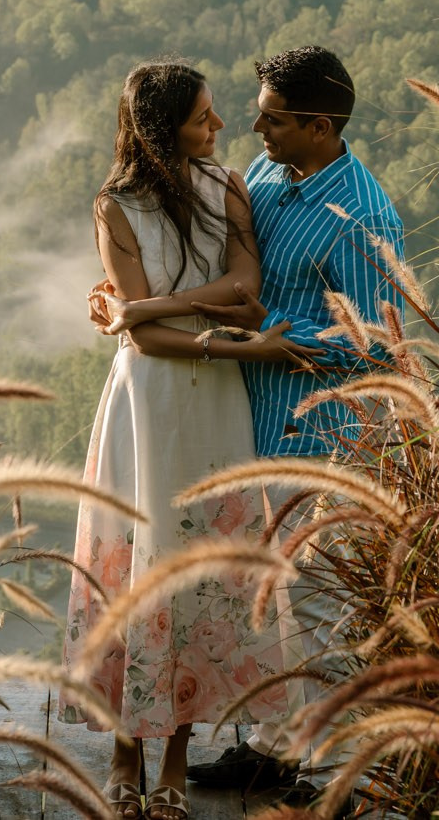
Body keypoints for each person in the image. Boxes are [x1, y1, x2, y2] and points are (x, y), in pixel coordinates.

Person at [61, 62, 315, 820]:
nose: (220, 127)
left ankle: (173, 756)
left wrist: (149, 308)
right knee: (138, 567)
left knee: (199, 574)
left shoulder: (228, 186)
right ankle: (124, 752)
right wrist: (206, 335)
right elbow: (148, 341)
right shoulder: (114, 206)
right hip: (147, 401)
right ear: (161, 127)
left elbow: (242, 286)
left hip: (213, 406)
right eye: (204, 117)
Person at [178, 45, 407, 800]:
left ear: (319, 126)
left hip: (327, 438)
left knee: (318, 602)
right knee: (272, 598)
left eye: (273, 119)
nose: (256, 129)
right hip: (257, 422)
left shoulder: (362, 216)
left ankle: (338, 773)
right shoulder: (271, 173)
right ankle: (274, 750)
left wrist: (273, 332)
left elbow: (378, 340)